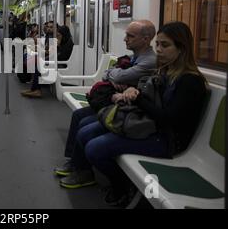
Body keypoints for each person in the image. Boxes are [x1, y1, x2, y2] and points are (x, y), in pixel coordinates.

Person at [59, 22, 207, 207]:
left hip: (167, 139)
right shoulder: (165, 72)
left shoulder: (190, 82)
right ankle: (89, 172)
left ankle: (123, 186)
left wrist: (137, 99)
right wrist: (132, 92)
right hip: (147, 124)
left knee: (94, 148)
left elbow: (169, 120)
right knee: (86, 132)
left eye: (165, 45)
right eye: (158, 44)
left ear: (182, 48)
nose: (159, 50)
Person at [54, 20, 157, 179]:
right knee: (78, 115)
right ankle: (74, 162)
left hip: (127, 108)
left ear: (146, 38)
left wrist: (115, 76)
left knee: (84, 124)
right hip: (115, 101)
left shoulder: (150, 60)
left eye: (130, 36)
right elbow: (107, 73)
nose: (125, 39)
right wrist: (114, 75)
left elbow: (120, 75)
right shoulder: (134, 57)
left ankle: (83, 171)